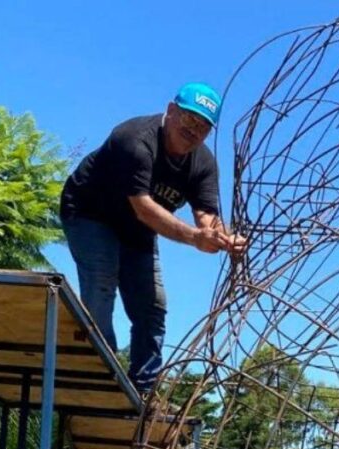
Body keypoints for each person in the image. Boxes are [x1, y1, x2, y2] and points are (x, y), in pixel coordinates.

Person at [60, 82, 246, 394]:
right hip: (90, 213)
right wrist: (194, 237)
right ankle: (103, 377)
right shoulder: (135, 139)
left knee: (152, 306)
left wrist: (225, 238)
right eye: (189, 119)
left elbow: (207, 216)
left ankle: (143, 391)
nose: (193, 130)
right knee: (102, 284)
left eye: (202, 126)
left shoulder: (203, 163)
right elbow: (144, 208)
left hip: (137, 230)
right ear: (171, 111)